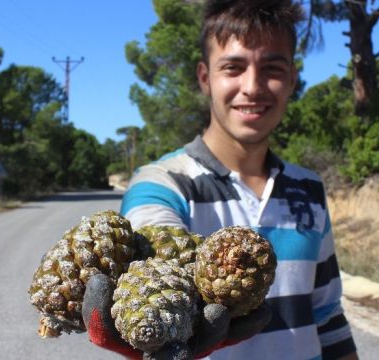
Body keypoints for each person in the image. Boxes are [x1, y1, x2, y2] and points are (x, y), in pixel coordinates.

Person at [84, 1, 358, 359]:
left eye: (272, 68)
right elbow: (152, 242)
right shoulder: (161, 183)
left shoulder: (309, 188)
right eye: (233, 67)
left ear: (292, 78)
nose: (253, 86)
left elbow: (326, 313)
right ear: (205, 78)